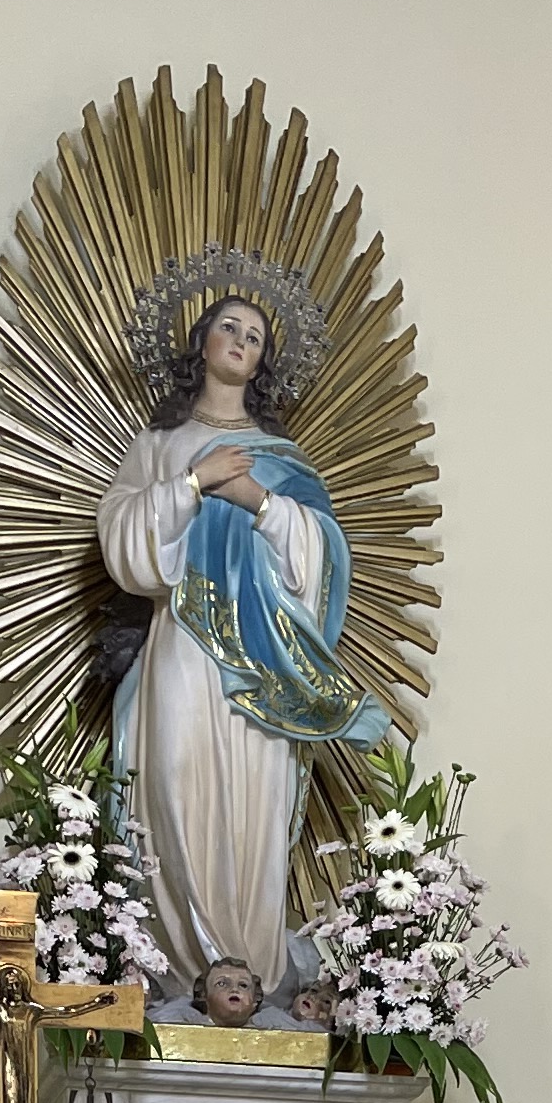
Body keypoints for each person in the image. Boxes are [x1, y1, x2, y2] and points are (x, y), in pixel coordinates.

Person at [98, 277, 390, 997]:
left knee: (255, 798)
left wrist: (258, 499)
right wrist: (193, 483)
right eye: (229, 326)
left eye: (255, 337)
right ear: (202, 342)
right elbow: (125, 543)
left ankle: (248, 976)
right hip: (185, 643)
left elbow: (321, 560)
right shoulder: (160, 448)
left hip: (263, 663)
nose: (240, 341)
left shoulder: (282, 459)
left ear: (262, 363)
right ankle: (177, 978)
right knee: (173, 776)